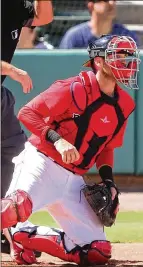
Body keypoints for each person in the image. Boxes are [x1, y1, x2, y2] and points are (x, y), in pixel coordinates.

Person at [1, 34, 140, 265]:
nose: (126, 63)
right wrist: (58, 140)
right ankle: (16, 230)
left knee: (98, 251)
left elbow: (107, 148)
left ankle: (22, 235)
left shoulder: (124, 104)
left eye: (128, 57)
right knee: (12, 209)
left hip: (74, 178)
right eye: (118, 57)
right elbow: (27, 113)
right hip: (42, 162)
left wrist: (109, 183)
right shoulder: (74, 88)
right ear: (99, 61)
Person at [1, 0, 53, 256]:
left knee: (17, 156)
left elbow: (44, 17)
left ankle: (4, 224)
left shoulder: (12, 5)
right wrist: (12, 70)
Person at [58, 0, 139, 49]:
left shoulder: (126, 37)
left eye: (114, 0)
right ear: (91, 6)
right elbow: (63, 68)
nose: (111, 3)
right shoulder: (74, 37)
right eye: (105, 0)